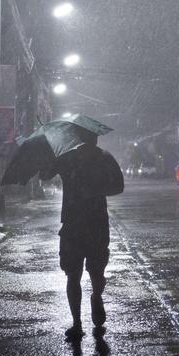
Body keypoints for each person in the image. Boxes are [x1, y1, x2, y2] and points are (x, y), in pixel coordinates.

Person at [42, 136, 124, 341]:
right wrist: (51, 158)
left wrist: (94, 190)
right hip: (77, 225)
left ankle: (95, 298)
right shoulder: (70, 158)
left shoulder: (101, 159)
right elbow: (45, 175)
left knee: (92, 273)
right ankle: (77, 322)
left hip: (89, 225)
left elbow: (118, 186)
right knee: (74, 274)